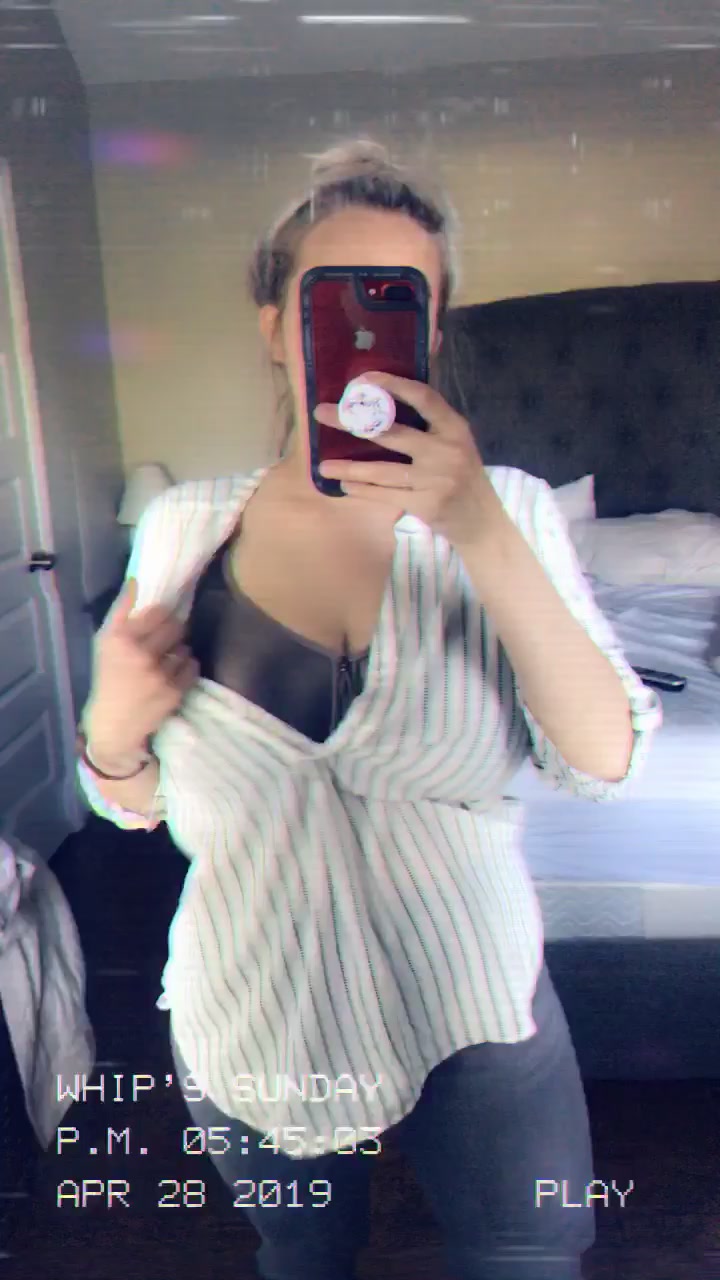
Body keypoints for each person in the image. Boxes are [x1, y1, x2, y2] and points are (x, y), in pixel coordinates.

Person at [76, 140, 661, 1280]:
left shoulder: (513, 511)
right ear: (273, 328)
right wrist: (110, 727)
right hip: (252, 997)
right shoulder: (186, 528)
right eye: (328, 299)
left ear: (428, 335)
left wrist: (477, 527)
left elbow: (602, 758)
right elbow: (132, 802)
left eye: (398, 302)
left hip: (472, 993)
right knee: (303, 1254)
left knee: (530, 1252)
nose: (360, 331)